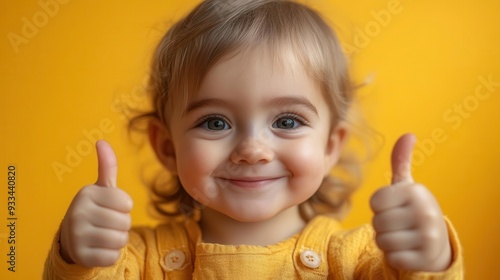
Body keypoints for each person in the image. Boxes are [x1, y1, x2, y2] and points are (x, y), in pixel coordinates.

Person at [43, 0, 464, 278]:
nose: (252, 151)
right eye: (214, 123)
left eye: (286, 120)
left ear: (331, 145)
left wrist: (428, 260)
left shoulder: (358, 260)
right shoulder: (137, 261)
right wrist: (79, 256)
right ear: (167, 146)